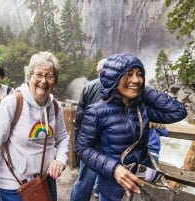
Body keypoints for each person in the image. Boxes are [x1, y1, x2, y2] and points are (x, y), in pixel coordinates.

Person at [75, 53, 187, 201]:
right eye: (129, 75)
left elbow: (178, 111)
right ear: (113, 77)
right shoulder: (96, 111)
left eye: (139, 74)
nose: (136, 79)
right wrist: (114, 168)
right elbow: (82, 148)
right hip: (113, 188)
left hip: (142, 184)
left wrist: (141, 88)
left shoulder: (141, 108)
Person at [0, 51, 69, 201]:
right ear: (29, 77)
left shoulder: (55, 107)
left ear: (54, 81)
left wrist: (60, 159)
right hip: (14, 187)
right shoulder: (13, 103)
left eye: (49, 76)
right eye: (38, 75)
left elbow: (62, 138)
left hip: (45, 182)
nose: (43, 81)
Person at [70, 58, 107, 201]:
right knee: (108, 182)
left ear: (98, 71)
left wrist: (79, 143)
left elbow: (79, 116)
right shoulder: (118, 86)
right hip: (110, 143)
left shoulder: (88, 87)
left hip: (90, 143)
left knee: (84, 181)